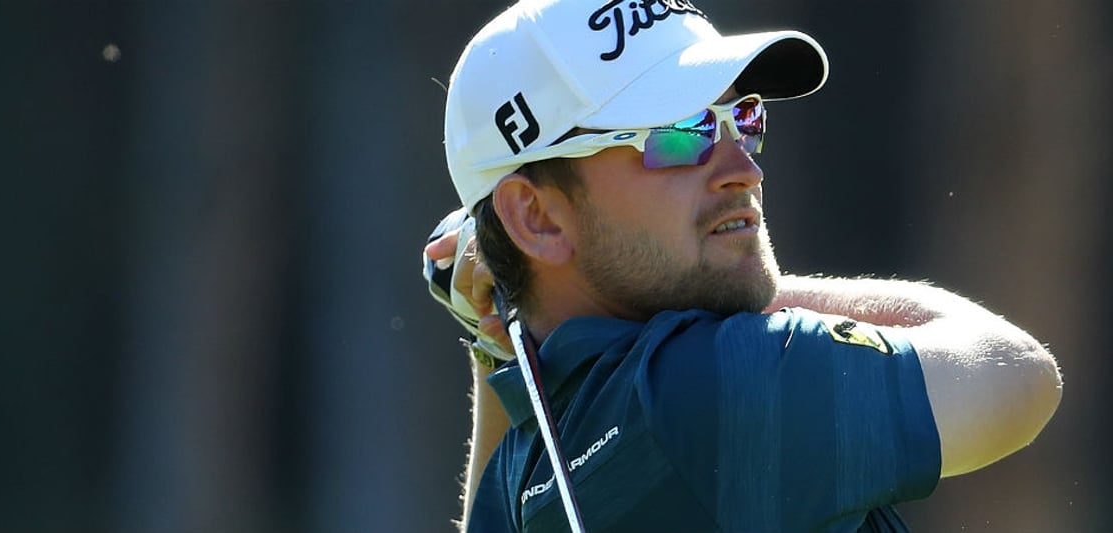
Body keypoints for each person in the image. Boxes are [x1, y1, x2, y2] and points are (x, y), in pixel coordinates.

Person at [422, 1, 1063, 532]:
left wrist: (496, 338)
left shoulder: (535, 451)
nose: (743, 170)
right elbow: (1019, 375)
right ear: (537, 218)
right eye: (681, 130)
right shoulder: (709, 385)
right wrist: (761, 292)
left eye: (743, 118)